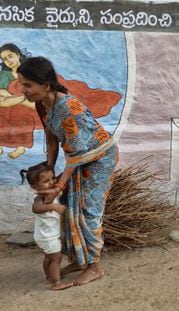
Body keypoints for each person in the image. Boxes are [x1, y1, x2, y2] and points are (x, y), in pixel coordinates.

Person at [17, 56, 119, 286]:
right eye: (21, 84)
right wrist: (48, 171)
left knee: (88, 210)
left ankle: (95, 267)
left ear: (46, 85)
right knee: (71, 206)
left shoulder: (69, 109)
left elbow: (76, 155)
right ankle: (80, 258)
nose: (22, 90)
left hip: (100, 158)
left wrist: (59, 185)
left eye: (27, 85)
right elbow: (52, 141)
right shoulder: (42, 104)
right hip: (78, 157)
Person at [0, 42, 122, 159]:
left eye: (10, 56)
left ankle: (20, 145)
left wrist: (16, 98)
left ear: (18, 54)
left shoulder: (64, 106)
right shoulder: (5, 77)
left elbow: (79, 149)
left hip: (95, 156)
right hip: (25, 103)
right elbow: (2, 95)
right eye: (4, 59)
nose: (8, 61)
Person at [20, 162, 72, 290]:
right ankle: (56, 282)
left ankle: (49, 276)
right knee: (56, 258)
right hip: (47, 236)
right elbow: (36, 208)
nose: (51, 182)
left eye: (52, 178)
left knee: (49, 257)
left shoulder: (48, 192)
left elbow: (57, 185)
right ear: (34, 186)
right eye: (46, 181)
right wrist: (53, 206)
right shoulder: (40, 196)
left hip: (45, 235)